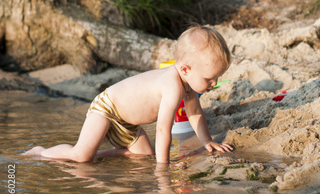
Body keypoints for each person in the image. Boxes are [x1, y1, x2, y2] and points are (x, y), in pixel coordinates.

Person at [22, 25, 233, 164]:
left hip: (128, 124)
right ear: (186, 69)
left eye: (217, 77)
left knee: (143, 156)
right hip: (107, 109)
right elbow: (162, 129)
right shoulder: (173, 85)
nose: (214, 84)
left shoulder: (190, 87)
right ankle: (41, 152)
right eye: (209, 79)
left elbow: (195, 114)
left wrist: (206, 141)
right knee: (81, 156)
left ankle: (99, 154)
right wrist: (163, 169)